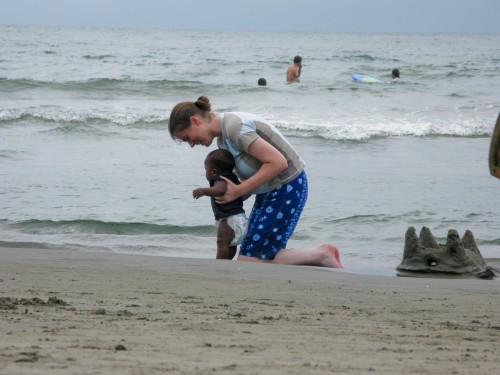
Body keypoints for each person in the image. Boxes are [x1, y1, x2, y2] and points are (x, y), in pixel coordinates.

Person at [168, 96, 343, 268]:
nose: (190, 144)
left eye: (186, 138)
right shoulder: (223, 140)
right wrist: (233, 196)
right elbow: (253, 173)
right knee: (251, 252)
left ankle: (321, 254)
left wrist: (238, 191)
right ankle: (318, 255)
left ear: (195, 121)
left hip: (287, 186)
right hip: (268, 191)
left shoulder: (235, 128)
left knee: (250, 259)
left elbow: (278, 163)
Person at [193, 149, 248, 260]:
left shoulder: (219, 179)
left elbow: (220, 190)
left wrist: (203, 191)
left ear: (214, 171)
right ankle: (227, 263)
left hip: (230, 220)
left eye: (206, 169)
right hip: (239, 219)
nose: (205, 172)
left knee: (221, 243)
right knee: (230, 244)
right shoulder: (232, 177)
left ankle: (219, 265)